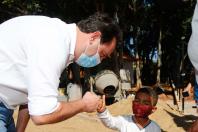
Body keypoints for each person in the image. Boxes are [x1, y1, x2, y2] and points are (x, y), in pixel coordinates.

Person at [0, 12, 121, 132]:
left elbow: (30, 97)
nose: (99, 61)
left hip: (5, 108)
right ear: (94, 37)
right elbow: (42, 114)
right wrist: (84, 104)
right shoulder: (54, 44)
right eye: (102, 54)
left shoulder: (58, 36)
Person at [97, 87, 161, 132]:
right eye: (137, 101)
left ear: (153, 109)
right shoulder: (124, 121)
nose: (140, 105)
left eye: (146, 103)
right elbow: (110, 122)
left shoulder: (155, 128)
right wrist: (102, 111)